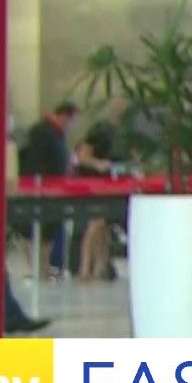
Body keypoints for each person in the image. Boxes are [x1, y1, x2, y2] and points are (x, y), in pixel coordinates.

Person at [21, 101, 79, 275]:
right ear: (64, 116)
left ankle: (44, 266)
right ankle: (35, 266)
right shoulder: (42, 131)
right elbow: (35, 161)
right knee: (34, 228)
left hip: (55, 186)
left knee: (50, 229)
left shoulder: (57, 134)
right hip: (40, 186)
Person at [74, 101, 124, 280]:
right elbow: (82, 156)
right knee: (96, 223)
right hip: (96, 184)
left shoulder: (125, 132)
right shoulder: (100, 131)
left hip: (114, 184)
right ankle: (85, 267)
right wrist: (99, 164)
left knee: (105, 226)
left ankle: (100, 267)